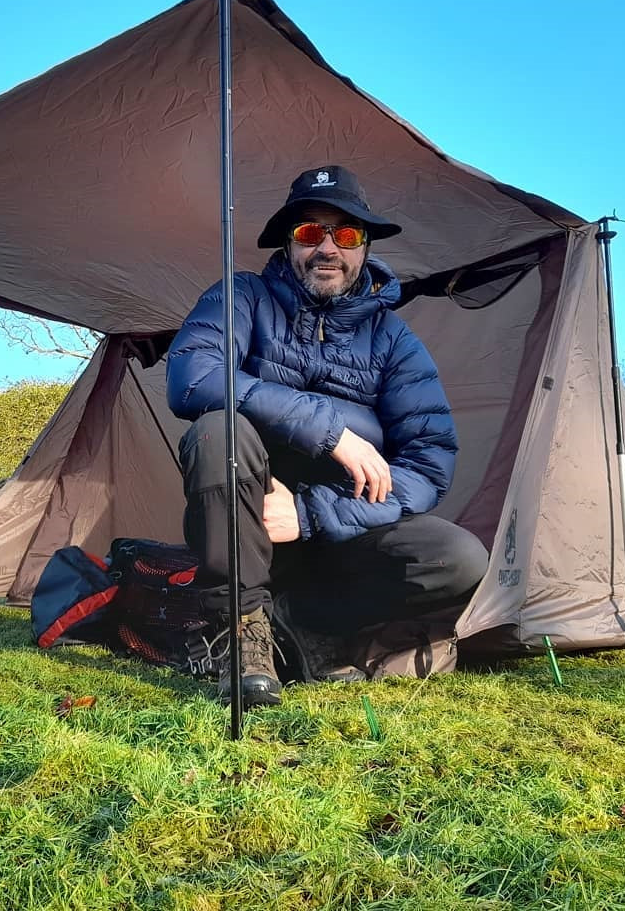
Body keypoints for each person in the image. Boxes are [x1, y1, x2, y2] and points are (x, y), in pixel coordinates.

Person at [166, 164, 489, 706]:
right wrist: (330, 431)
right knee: (217, 431)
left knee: (457, 559)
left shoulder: (393, 339)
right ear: (291, 244)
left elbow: (430, 461)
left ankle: (295, 623)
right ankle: (242, 632)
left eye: (345, 235)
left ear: (364, 247)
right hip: (249, 520)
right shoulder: (242, 296)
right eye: (310, 233)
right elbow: (194, 376)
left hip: (344, 525)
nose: (327, 249)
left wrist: (314, 513)